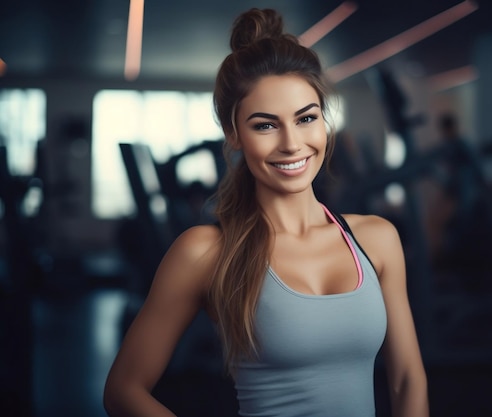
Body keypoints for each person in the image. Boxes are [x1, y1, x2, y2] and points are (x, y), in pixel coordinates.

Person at [103, 8, 428, 417]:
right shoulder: (205, 251)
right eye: (265, 125)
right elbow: (123, 389)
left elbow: (406, 378)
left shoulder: (376, 239)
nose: (292, 143)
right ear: (234, 134)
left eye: (306, 118)